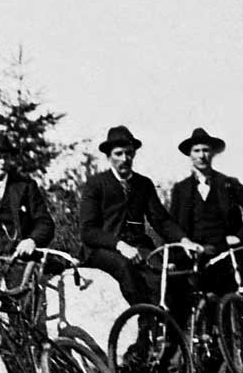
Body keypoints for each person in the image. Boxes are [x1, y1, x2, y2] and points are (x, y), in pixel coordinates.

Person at [78, 126, 204, 309]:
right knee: (126, 270)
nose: (124, 159)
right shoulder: (96, 184)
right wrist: (120, 245)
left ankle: (171, 333)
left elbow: (161, 221)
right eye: (118, 154)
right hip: (103, 250)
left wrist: (184, 240)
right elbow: (88, 231)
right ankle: (144, 326)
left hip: (139, 248)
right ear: (108, 156)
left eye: (129, 153)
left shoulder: (143, 184)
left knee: (169, 276)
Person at [168, 127, 243, 306]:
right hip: (194, 258)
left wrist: (241, 237)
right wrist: (175, 255)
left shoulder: (228, 184)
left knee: (228, 310)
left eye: (206, 150)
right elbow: (172, 225)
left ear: (212, 154)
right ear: (190, 155)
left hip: (226, 257)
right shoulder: (181, 189)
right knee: (189, 308)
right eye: (197, 150)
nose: (202, 155)